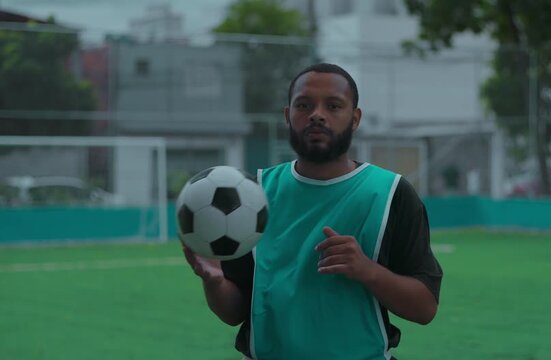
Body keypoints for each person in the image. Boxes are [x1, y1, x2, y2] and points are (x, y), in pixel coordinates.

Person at [183, 63, 443, 359]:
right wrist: (214, 281)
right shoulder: (253, 195)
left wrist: (367, 270)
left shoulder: (392, 193)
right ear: (288, 116)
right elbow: (235, 312)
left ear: (355, 118)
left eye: (333, 106)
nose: (317, 114)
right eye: (304, 105)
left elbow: (425, 308)